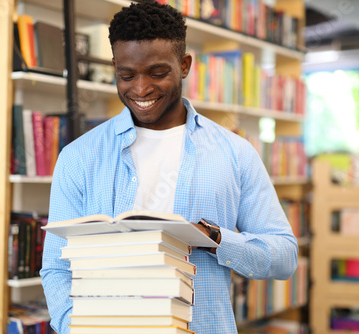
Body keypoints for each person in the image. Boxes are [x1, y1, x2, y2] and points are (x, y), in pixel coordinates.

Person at [40, 1, 298, 333]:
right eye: (126, 75)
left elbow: (284, 256)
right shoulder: (78, 157)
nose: (141, 88)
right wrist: (72, 326)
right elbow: (56, 268)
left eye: (158, 72)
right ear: (115, 67)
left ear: (185, 65)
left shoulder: (235, 153)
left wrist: (216, 238)